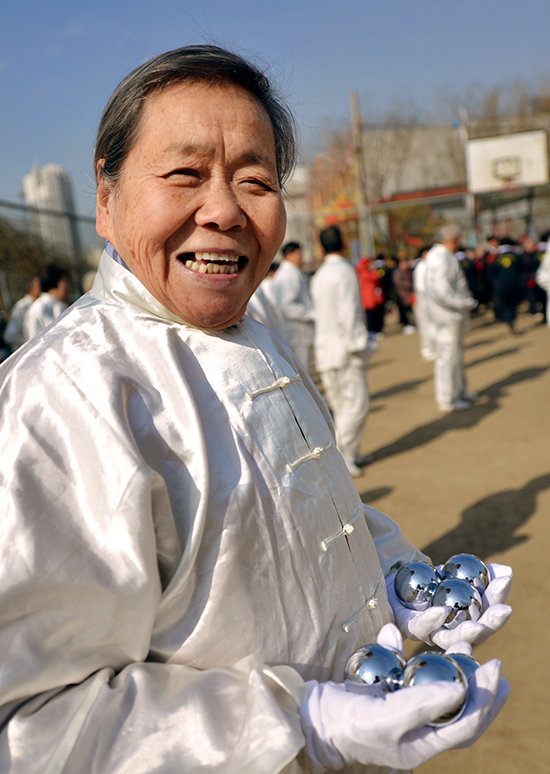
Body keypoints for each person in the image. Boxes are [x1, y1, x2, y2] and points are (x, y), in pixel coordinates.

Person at [0, 46, 510, 774]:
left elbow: (304, 512)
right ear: (105, 201)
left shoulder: (253, 334)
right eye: (184, 174)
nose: (225, 210)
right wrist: (298, 724)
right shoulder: (64, 400)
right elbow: (28, 721)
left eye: (254, 180)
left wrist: (398, 581)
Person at [311, 225, 377, 477]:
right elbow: (349, 313)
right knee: (357, 405)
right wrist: (360, 344)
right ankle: (345, 457)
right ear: (344, 243)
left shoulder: (320, 274)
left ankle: (351, 453)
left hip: (327, 349)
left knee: (341, 406)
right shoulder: (344, 272)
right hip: (344, 350)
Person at [424, 224, 478, 412]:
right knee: (447, 359)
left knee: (456, 357)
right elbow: (442, 291)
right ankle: (447, 398)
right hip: (446, 318)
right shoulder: (439, 258)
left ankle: (460, 391)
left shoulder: (444, 256)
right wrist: (462, 302)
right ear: (451, 239)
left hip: (451, 318)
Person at [272, 240, 315, 369]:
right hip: (297, 333)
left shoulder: (291, 272)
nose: (302, 257)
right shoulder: (288, 275)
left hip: (298, 332)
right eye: (299, 254)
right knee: (301, 371)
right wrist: (311, 314)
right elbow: (288, 307)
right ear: (289, 255)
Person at [22, 264, 71, 340]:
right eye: (65, 282)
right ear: (55, 282)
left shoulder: (57, 305)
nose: (68, 287)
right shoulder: (40, 308)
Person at [3, 274, 41, 351]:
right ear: (30, 288)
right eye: (39, 286)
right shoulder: (22, 306)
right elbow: (10, 336)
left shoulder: (39, 305)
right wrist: (31, 342)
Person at [412, 245, 436, 361]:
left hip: (430, 301)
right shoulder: (421, 267)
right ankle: (427, 349)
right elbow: (420, 287)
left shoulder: (430, 266)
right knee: (425, 326)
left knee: (432, 326)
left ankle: (432, 347)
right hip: (424, 302)